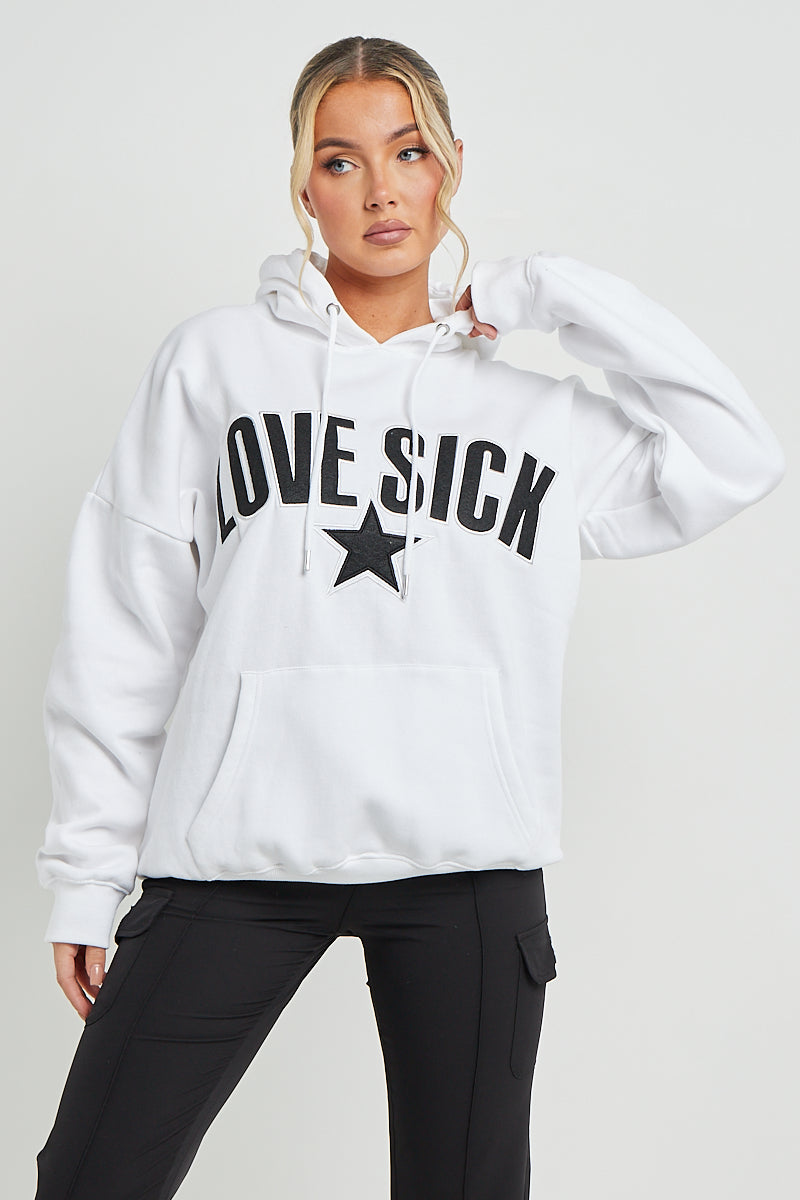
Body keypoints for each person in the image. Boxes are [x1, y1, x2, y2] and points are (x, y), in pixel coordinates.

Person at [33, 33, 784, 1200]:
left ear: (450, 167)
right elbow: (124, 625)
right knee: (91, 1176)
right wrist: (88, 873)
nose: (380, 188)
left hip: (465, 864)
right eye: (341, 160)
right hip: (237, 854)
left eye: (409, 152)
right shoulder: (213, 366)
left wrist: (545, 292)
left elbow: (735, 456)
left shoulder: (533, 414)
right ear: (303, 186)